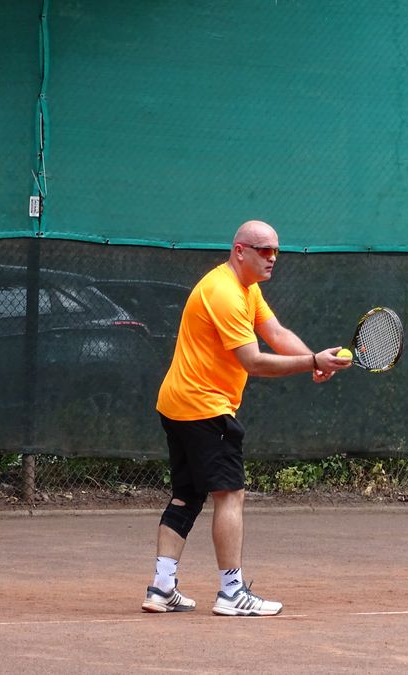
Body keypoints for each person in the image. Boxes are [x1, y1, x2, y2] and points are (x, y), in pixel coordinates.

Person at [141, 219, 352, 617]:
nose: (273, 258)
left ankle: (162, 587)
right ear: (240, 251)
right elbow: (252, 361)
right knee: (230, 495)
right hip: (205, 408)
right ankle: (232, 592)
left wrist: (313, 361)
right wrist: (311, 361)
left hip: (178, 404)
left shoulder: (246, 288)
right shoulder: (225, 294)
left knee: (187, 495)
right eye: (264, 250)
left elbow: (277, 332)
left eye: (276, 251)